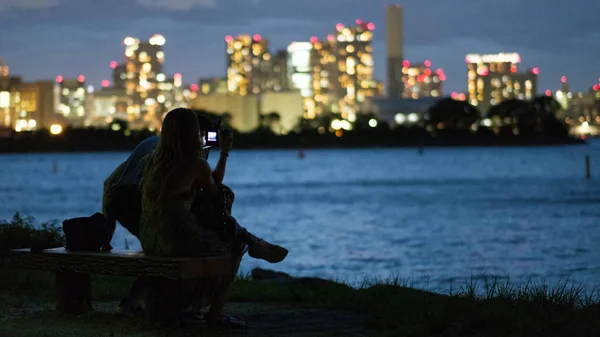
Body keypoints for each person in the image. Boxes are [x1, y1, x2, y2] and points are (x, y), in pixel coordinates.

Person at [102, 110, 287, 322]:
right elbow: (214, 190)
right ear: (193, 133)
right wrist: (224, 152)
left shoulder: (152, 160)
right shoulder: (195, 164)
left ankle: (130, 303)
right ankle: (215, 314)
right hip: (176, 241)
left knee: (168, 252)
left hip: (152, 239)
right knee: (234, 246)